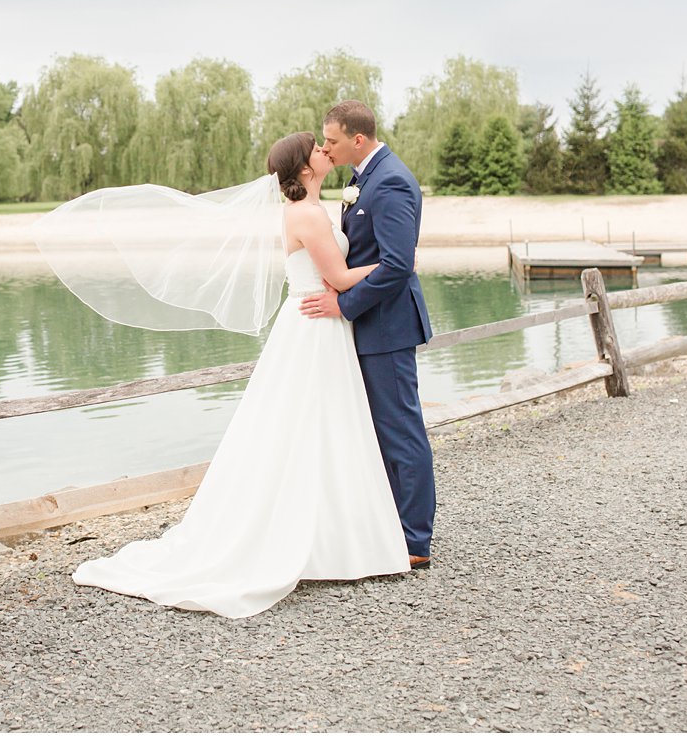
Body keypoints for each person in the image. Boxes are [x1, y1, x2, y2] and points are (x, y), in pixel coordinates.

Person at [55, 131, 409, 618]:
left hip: (319, 324)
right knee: (316, 425)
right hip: (315, 327)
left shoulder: (310, 209)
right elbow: (343, 279)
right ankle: (330, 542)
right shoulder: (305, 214)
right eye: (318, 149)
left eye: (328, 146)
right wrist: (396, 267)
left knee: (317, 428)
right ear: (304, 169)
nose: (326, 152)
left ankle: (331, 536)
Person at [300, 99, 436, 569]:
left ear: (357, 139)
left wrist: (343, 303)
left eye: (332, 140)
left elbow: (398, 265)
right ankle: (390, 526)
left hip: (389, 325)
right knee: (380, 431)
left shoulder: (392, 180)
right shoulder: (361, 181)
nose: (326, 148)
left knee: (401, 431)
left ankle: (415, 539)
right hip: (369, 324)